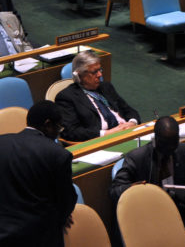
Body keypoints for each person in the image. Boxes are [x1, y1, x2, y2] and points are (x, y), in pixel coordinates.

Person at [0, 101, 76, 247]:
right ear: (48, 125)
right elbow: (66, 201)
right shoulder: (58, 154)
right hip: (39, 237)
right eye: (58, 127)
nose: (58, 133)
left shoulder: (2, 143)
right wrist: (62, 216)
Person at [110, 115, 185, 231]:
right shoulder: (136, 158)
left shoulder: (181, 150)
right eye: (166, 143)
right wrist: (131, 189)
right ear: (156, 139)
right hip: (147, 212)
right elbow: (114, 190)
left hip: (176, 208)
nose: (170, 148)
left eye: (174, 142)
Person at [57, 50, 139, 141]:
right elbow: (71, 132)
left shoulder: (106, 87)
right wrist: (106, 133)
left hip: (127, 132)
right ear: (80, 75)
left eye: (100, 70)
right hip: (101, 140)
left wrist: (132, 122)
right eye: (94, 72)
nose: (100, 74)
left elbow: (129, 110)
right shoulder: (66, 97)